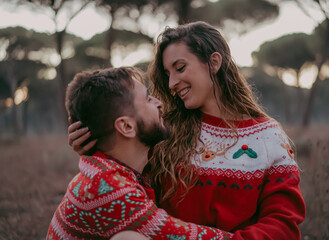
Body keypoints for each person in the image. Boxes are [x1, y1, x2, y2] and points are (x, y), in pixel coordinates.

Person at [69, 21, 306, 239]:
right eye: (167, 74)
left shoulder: (269, 136)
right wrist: (95, 146)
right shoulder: (163, 130)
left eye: (180, 68)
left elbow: (283, 222)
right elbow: (123, 182)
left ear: (214, 62)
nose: (171, 84)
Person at [47, 66, 235, 239]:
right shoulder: (110, 189)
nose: (159, 102)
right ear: (126, 126)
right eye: (147, 99)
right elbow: (179, 236)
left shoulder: (113, 169)